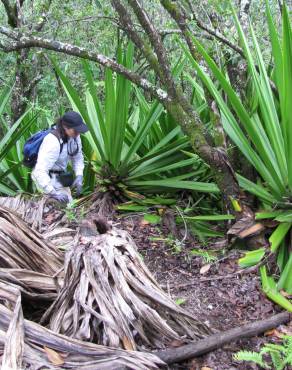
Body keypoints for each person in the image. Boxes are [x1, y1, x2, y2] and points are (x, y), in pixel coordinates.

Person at [31, 111, 88, 204]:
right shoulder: (52, 141)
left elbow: (77, 157)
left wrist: (79, 175)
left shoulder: (75, 137)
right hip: (43, 179)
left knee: (70, 205)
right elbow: (40, 171)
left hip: (59, 177)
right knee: (55, 208)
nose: (78, 133)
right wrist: (53, 193)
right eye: (76, 130)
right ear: (65, 127)